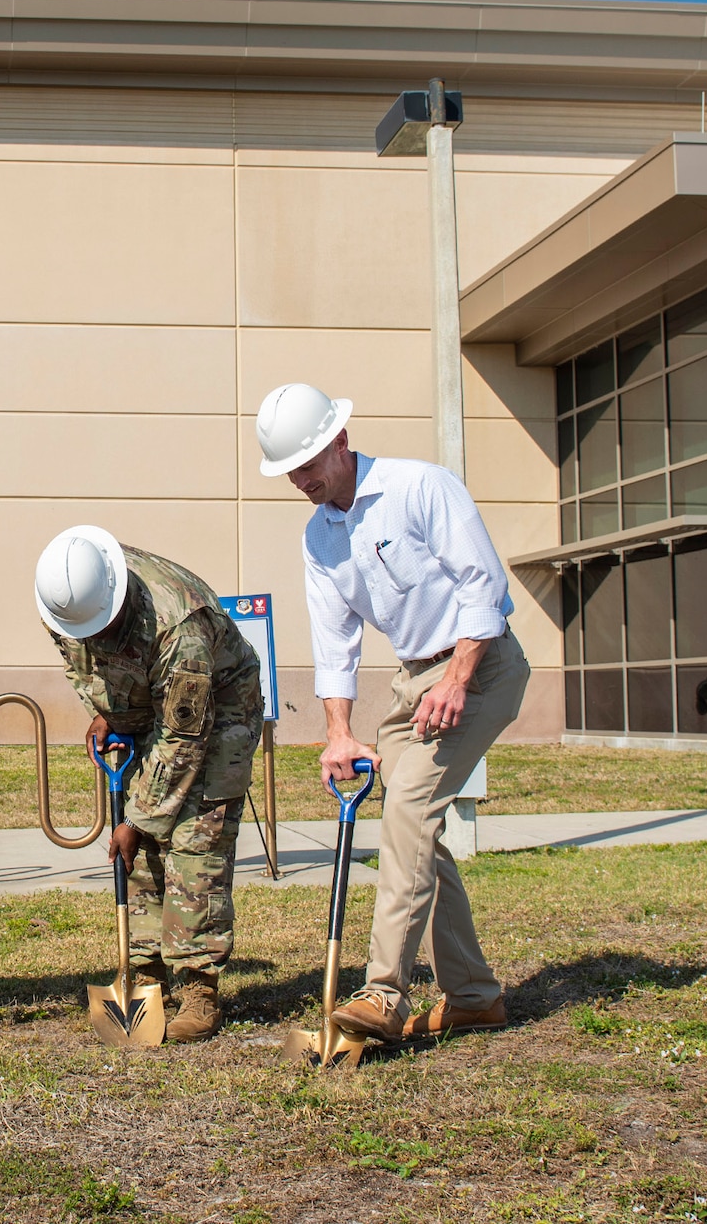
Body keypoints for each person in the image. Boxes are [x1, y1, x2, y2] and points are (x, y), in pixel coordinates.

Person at [256, 381, 530, 1041]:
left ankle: (383, 993)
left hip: (481, 665)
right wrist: (339, 731)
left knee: (408, 808)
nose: (301, 479)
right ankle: (472, 993)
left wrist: (458, 678)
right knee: (415, 832)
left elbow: (484, 588)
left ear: (341, 441)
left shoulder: (421, 488)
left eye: (309, 463)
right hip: (416, 681)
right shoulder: (318, 539)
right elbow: (335, 643)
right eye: (290, 470)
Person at [34, 525, 262, 1042]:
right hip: (144, 705)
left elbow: (184, 738)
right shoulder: (66, 597)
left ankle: (199, 986)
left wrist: (137, 819)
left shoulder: (179, 626)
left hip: (219, 710)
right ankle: (144, 971)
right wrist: (106, 714)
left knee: (192, 843)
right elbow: (82, 666)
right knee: (138, 850)